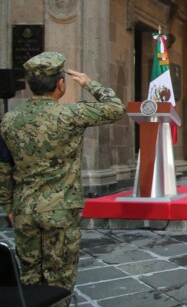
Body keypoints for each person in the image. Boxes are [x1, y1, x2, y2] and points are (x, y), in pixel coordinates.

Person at [0, 52, 126, 293]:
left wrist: (8, 206)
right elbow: (114, 108)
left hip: (24, 209)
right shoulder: (70, 115)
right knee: (59, 279)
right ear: (60, 84)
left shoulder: (9, 120)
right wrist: (89, 83)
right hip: (61, 208)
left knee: (28, 276)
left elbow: (4, 167)